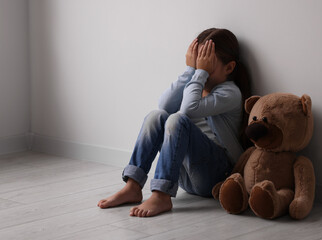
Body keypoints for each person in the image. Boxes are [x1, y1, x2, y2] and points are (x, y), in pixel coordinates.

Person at [97, 28, 251, 217]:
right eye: (198, 63)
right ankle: (133, 185)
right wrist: (190, 71)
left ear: (229, 68)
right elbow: (165, 104)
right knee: (157, 115)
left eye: (207, 65)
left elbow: (187, 109)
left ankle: (161, 196)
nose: (200, 70)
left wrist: (199, 73)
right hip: (184, 176)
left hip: (215, 177)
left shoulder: (230, 93)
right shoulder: (195, 85)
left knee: (178, 119)